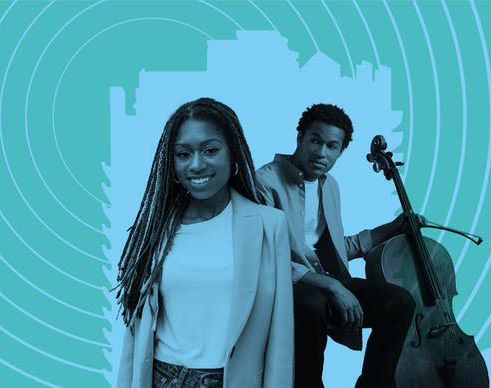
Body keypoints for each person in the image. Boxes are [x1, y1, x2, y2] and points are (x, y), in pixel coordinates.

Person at [116, 98, 294, 388]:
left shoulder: (269, 225)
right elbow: (134, 339)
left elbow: (281, 341)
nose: (197, 165)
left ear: (232, 155)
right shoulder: (153, 230)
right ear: (171, 164)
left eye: (210, 150)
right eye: (183, 154)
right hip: (162, 379)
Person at [256, 103, 420, 388]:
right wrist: (331, 286)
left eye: (332, 146)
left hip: (321, 284)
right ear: (300, 138)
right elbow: (264, 255)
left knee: (399, 302)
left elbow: (329, 248)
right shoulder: (264, 182)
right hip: (280, 288)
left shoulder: (328, 185)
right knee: (312, 302)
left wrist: (391, 229)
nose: (321, 153)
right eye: (315, 141)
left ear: (340, 152)